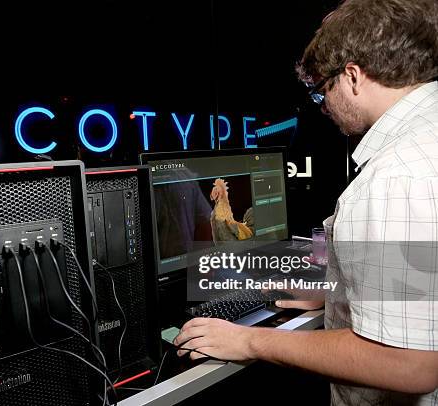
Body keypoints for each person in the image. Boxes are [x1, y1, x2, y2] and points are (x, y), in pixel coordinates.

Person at [174, 0, 438, 404]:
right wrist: (338, 294)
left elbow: (409, 363)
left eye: (321, 93)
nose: (325, 108)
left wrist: (249, 341)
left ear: (352, 76)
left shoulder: (394, 176)